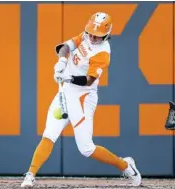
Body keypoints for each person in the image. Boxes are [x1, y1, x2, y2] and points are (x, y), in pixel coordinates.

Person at [21, 12, 142, 188]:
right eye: (91, 33)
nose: (92, 38)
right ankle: (30, 174)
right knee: (49, 134)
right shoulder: (85, 35)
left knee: (86, 148)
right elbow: (65, 46)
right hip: (65, 92)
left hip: (83, 96)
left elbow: (89, 80)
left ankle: (126, 165)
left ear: (106, 35)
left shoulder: (102, 53)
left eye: (97, 35)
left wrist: (68, 78)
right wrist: (62, 61)